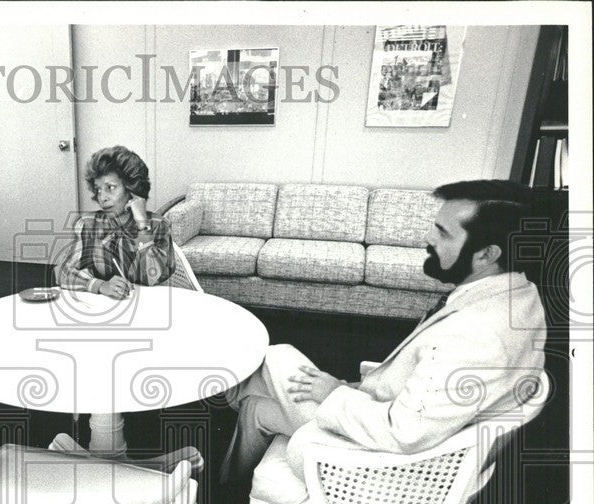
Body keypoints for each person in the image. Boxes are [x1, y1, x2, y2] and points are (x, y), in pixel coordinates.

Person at [221, 180, 547, 488]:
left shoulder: (480, 337)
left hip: (383, 469)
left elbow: (403, 434)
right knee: (257, 410)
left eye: (443, 233)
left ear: (487, 255)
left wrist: (335, 392)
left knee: (278, 356)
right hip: (401, 422)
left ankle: (221, 392)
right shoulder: (520, 295)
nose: (429, 239)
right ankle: (228, 487)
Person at [56, 145, 175, 299]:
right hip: (102, 306)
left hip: (149, 306)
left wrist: (142, 226)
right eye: (98, 189)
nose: (102, 197)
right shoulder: (88, 224)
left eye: (110, 187)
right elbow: (62, 272)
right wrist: (100, 285)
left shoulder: (159, 225)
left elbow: (152, 278)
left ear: (132, 189)